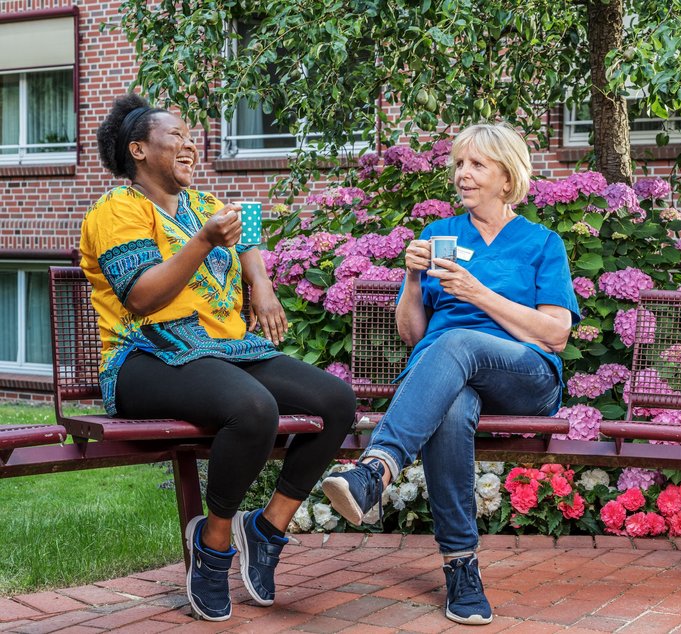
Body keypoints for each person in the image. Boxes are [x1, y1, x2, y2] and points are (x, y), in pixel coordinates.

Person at [80, 93, 356, 621]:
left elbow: (245, 227)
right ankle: (214, 543)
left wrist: (261, 282)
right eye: (176, 136)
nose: (189, 144)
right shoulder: (118, 211)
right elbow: (141, 297)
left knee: (336, 401)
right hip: (143, 358)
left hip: (222, 350)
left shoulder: (203, 204)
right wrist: (205, 242)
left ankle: (268, 527)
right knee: (253, 409)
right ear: (138, 150)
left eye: (190, 137)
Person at [322, 122, 580, 626]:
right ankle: (461, 569)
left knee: (458, 340)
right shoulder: (437, 236)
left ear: (507, 178)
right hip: (447, 375)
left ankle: (378, 466)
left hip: (524, 375)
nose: (463, 174)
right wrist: (413, 278)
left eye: (477, 165)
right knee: (454, 403)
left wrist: (477, 293)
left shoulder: (542, 244)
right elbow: (414, 334)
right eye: (459, 164)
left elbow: (556, 334)